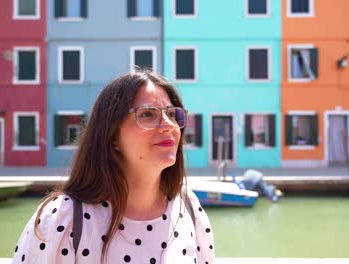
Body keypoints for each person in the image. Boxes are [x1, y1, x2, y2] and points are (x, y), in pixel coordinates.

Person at [12, 70, 215, 263]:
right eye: (147, 114)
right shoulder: (63, 220)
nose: (169, 125)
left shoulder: (188, 208)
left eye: (172, 114)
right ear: (112, 136)